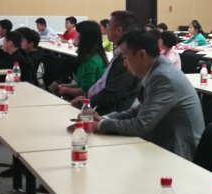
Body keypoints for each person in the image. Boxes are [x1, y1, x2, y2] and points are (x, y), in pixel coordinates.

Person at [88, 30, 205, 161]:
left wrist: (100, 125)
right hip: (162, 140)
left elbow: (141, 125)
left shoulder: (163, 77)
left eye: (125, 57)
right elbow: (140, 110)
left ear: (141, 54)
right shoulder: (157, 69)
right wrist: (104, 119)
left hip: (178, 151)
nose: (124, 64)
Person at [70, 11, 141, 113]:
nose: (106, 28)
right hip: (97, 103)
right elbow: (102, 84)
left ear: (118, 30)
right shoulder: (118, 54)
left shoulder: (126, 58)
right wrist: (85, 97)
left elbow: (112, 94)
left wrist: (86, 102)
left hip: (108, 112)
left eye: (108, 25)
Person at [57, 21, 108, 99]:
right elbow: (83, 84)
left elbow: (86, 90)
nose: (75, 35)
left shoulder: (89, 61)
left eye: (77, 33)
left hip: (90, 100)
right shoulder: (96, 55)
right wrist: (67, 86)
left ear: (85, 37)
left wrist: (65, 90)